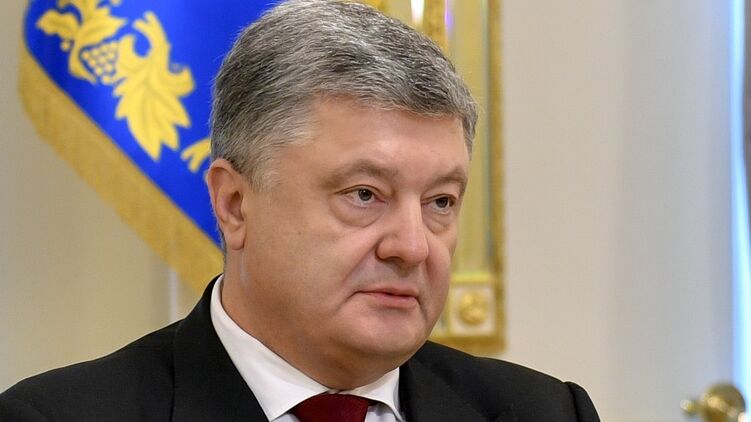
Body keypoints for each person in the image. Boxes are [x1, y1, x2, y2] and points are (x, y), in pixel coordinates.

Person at [0, 0, 600, 420]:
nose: (413, 246)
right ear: (234, 204)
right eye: (364, 195)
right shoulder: (58, 416)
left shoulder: (547, 412)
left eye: (440, 201)